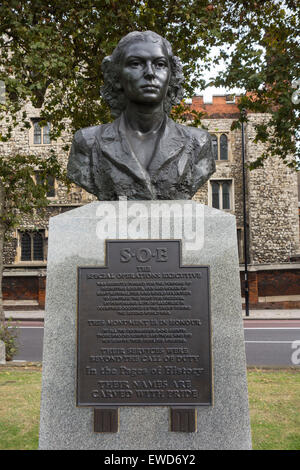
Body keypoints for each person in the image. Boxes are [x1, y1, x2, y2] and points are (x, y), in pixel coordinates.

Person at [67, 31, 215, 200]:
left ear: (171, 76)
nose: (150, 73)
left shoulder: (198, 143)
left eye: (160, 64)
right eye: (136, 64)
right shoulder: (87, 142)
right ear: (116, 76)